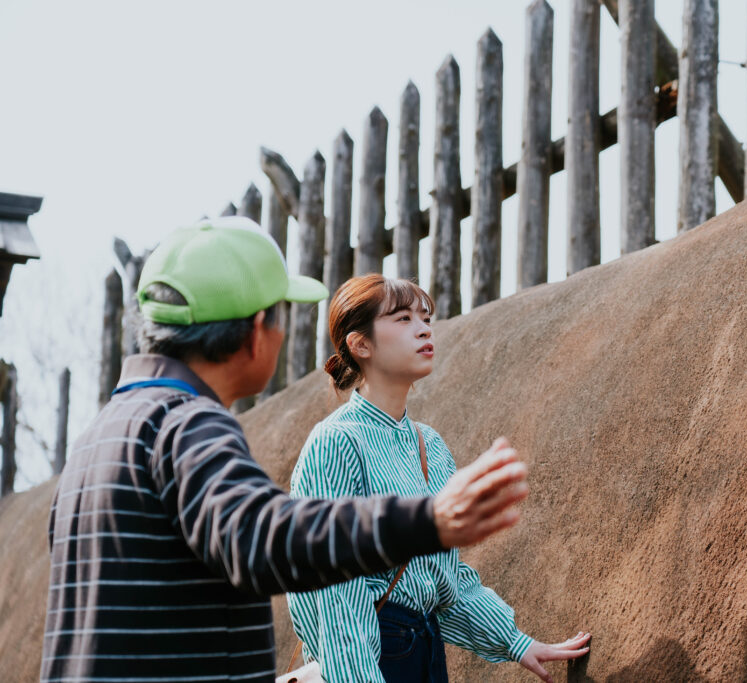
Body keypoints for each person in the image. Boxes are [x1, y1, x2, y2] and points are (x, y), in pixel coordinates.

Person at [41, 217, 529, 683]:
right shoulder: (187, 425)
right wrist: (426, 521)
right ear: (257, 331)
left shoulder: (100, 438)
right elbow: (262, 535)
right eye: (283, 315)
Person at [286, 274, 591, 683]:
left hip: (427, 649)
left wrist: (516, 642)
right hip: (373, 655)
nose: (424, 328)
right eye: (403, 318)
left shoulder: (428, 444)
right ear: (361, 345)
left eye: (425, 317)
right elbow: (338, 592)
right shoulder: (336, 441)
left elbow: (446, 578)